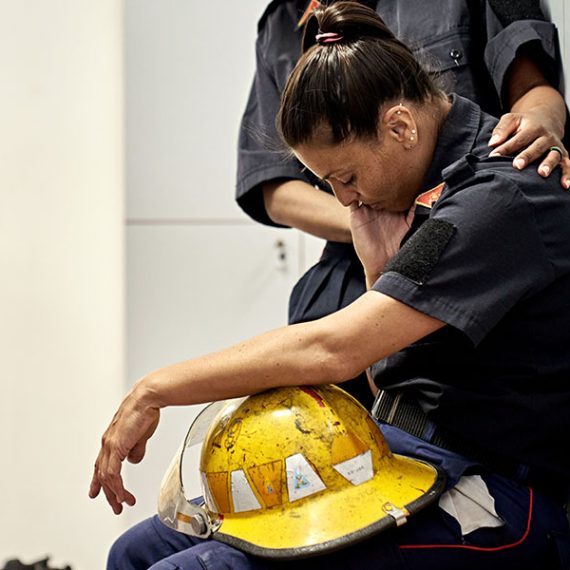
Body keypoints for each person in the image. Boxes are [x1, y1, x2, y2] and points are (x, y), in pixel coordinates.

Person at [92, 3, 570, 568]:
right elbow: (381, 375)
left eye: (345, 178)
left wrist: (155, 389)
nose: (342, 201)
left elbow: (333, 348)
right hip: (407, 452)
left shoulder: (495, 198)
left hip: (498, 492)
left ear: (400, 126)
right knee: (136, 551)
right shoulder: (428, 192)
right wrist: (375, 267)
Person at [236, 0, 569, 409]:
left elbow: (533, 92)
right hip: (357, 261)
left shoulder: (497, 200)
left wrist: (540, 126)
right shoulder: (282, 20)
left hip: (468, 259)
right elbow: (273, 187)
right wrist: (369, 220)